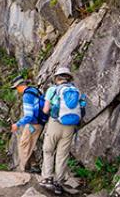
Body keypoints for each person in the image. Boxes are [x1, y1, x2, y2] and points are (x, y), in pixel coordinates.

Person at [40, 67, 84, 195]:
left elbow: (46, 110)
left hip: (55, 123)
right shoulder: (76, 91)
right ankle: (59, 183)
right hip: (70, 127)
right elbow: (81, 109)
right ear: (69, 78)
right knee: (62, 155)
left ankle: (47, 178)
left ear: (56, 78)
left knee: (48, 150)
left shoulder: (53, 89)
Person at [10, 75, 44, 173]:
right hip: (40, 121)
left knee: (23, 145)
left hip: (33, 123)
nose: (17, 90)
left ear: (20, 86)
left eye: (16, 88)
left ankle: (24, 170)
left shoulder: (27, 95)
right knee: (29, 145)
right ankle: (33, 165)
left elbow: (29, 115)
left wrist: (17, 124)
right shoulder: (34, 91)